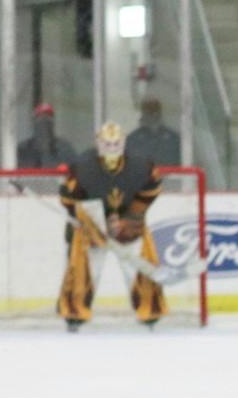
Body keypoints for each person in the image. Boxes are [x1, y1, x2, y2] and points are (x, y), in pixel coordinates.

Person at [56, 122, 181, 331]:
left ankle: (149, 312)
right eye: (107, 144)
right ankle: (75, 314)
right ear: (98, 143)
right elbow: (68, 198)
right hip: (92, 222)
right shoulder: (81, 167)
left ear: (124, 142)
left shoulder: (142, 166)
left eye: (116, 144)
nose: (112, 149)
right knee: (84, 268)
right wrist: (87, 221)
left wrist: (130, 219)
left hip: (128, 220)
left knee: (139, 264)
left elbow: (149, 192)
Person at [16, 101, 77, 171]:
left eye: (48, 117)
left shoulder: (65, 148)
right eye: (40, 117)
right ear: (34, 122)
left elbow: (74, 172)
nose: (44, 120)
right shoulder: (23, 149)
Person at [125, 96, 181, 168]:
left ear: (159, 112)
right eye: (148, 111)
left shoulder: (174, 139)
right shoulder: (132, 139)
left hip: (169, 178)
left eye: (154, 110)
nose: (152, 115)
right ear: (143, 112)